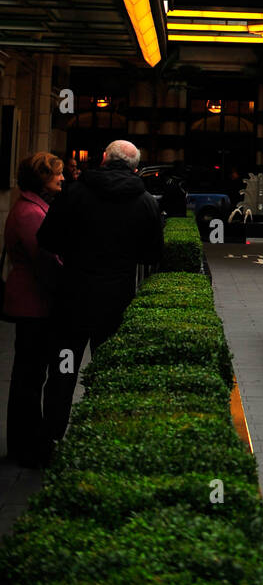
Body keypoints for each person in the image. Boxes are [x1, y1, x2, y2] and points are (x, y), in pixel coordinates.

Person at [38, 139, 163, 445]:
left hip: (72, 297)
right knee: (108, 370)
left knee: (63, 371)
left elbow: (48, 239)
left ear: (104, 158)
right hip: (115, 301)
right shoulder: (145, 201)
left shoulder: (75, 193)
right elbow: (152, 255)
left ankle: (51, 439)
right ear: (135, 167)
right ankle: (101, 441)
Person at [2, 153, 64, 467]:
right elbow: (46, 260)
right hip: (32, 304)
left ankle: (25, 442)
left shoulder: (32, 207)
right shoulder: (30, 212)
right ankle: (26, 446)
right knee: (29, 375)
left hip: (32, 302)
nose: (62, 179)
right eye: (57, 174)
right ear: (41, 177)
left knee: (29, 374)